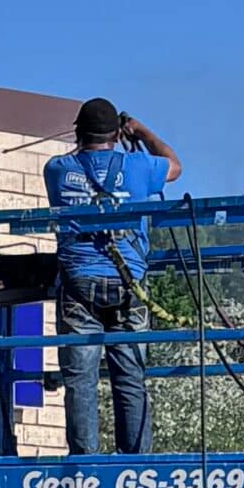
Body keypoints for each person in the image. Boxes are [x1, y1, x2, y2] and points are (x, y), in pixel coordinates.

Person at [43, 97, 181, 454]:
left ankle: (84, 461)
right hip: (128, 283)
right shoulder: (138, 166)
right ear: (117, 135)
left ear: (78, 133)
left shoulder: (57, 170)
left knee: (80, 380)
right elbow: (174, 166)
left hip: (78, 282)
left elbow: (73, 161)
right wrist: (141, 131)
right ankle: (135, 463)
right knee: (131, 378)